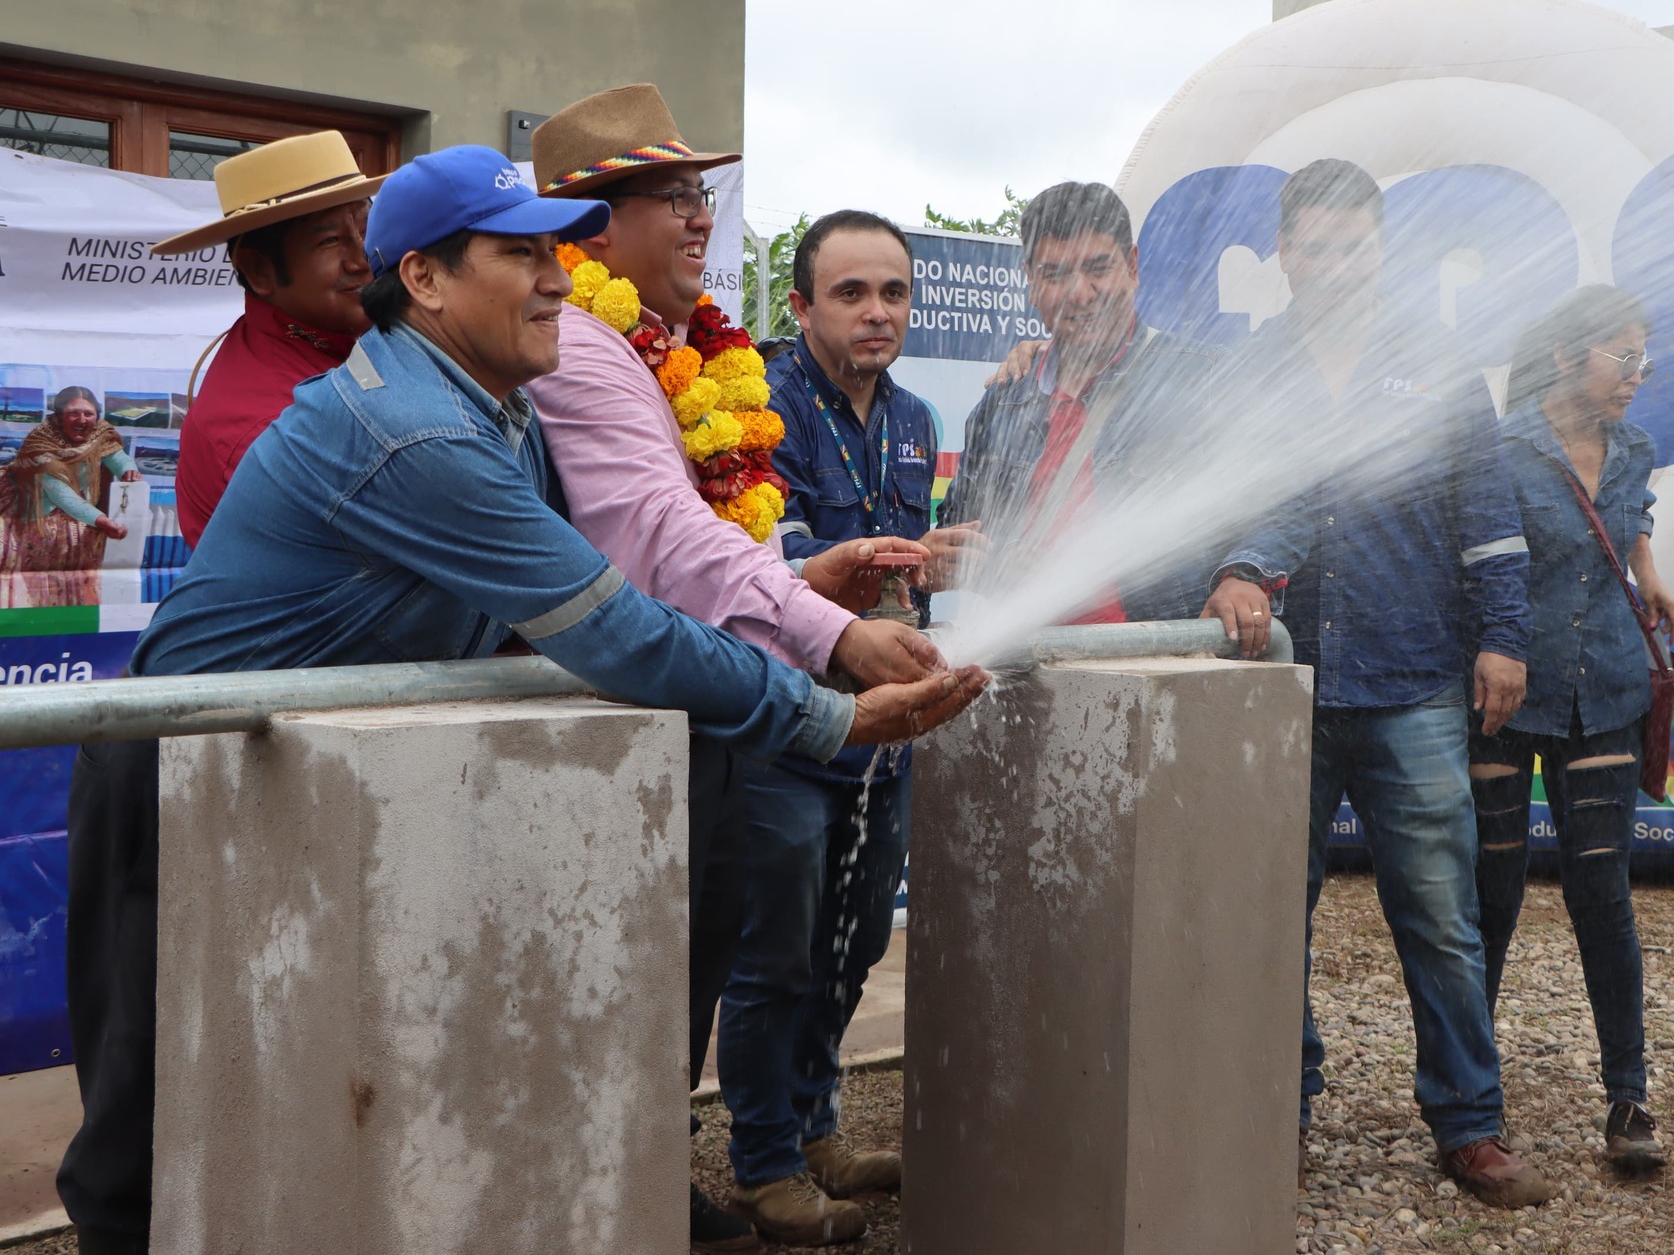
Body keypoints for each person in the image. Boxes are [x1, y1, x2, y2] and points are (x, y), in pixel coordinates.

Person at [55, 145, 985, 1255]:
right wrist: (824, 712)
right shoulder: (419, 432)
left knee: (274, 1091)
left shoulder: (496, 409)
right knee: (147, 1113)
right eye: (517, 254)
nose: (555, 276)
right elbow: (606, 627)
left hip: (282, 765)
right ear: (426, 282)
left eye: (556, 250)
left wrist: (788, 594)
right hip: (174, 763)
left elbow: (613, 583)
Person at [524, 85, 941, 1252]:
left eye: (700, 195)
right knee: (759, 947)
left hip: (777, 692)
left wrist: (828, 602)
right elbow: (664, 540)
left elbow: (733, 543)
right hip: (735, 711)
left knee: (835, 938)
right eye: (672, 197)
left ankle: (785, 1138)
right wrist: (834, 628)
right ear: (591, 231)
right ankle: (732, 1169)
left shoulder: (697, 358)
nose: (700, 219)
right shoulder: (589, 354)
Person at [1265, 159, 1549, 1207]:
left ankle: (1468, 1124)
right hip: (1274, 691)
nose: (1335, 264)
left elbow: (1487, 518)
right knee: (1265, 913)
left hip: (1413, 686)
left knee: (1438, 916)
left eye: (1355, 245)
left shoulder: (1435, 364)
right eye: (1316, 246)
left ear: (1381, 250)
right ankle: (1273, 1111)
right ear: (1283, 254)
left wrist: (1503, 639)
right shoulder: (1247, 370)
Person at [711, 210, 979, 1246]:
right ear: (799, 305)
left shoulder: (912, 414)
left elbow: (900, 555)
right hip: (786, 719)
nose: (876, 314)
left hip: (889, 721)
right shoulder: (755, 404)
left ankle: (817, 1128)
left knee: (857, 934)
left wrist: (938, 554)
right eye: (850, 294)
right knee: (774, 950)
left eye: (893, 294)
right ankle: (764, 1165)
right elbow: (758, 561)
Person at [1468, 285, 1674, 1174]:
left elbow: (1627, 523)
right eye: (1622, 358)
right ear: (1566, 359)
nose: (1637, 376)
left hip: (1608, 692)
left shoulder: (1633, 445)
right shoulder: (1499, 446)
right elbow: (1479, 557)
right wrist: (1493, 647)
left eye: (1643, 359)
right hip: (1510, 696)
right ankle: (1469, 1100)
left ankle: (1628, 1098)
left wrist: (1650, 574)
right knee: (1492, 897)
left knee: (1604, 895)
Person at [939, 180, 1279, 650]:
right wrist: (997, 562)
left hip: (1162, 665)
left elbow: (1275, 496)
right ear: (1031, 282)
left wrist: (1243, 573)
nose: (1079, 293)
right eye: (1054, 274)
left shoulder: (1204, 378)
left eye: (1098, 268)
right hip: (1025, 668)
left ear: (1133, 266)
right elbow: (958, 527)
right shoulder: (1001, 403)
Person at [152, 130, 383, 547]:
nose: (363, 258)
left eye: (368, 228)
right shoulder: (273, 429)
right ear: (259, 270)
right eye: (330, 240)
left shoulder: (346, 339)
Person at [0, 388, 146, 606]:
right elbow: (61, 494)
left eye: (88, 414)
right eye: (73, 413)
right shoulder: (40, 446)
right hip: (36, 522)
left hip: (80, 523)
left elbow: (119, 458)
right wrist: (102, 521)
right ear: (59, 417)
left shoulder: (100, 436)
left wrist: (128, 470)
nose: (82, 419)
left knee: (75, 587)